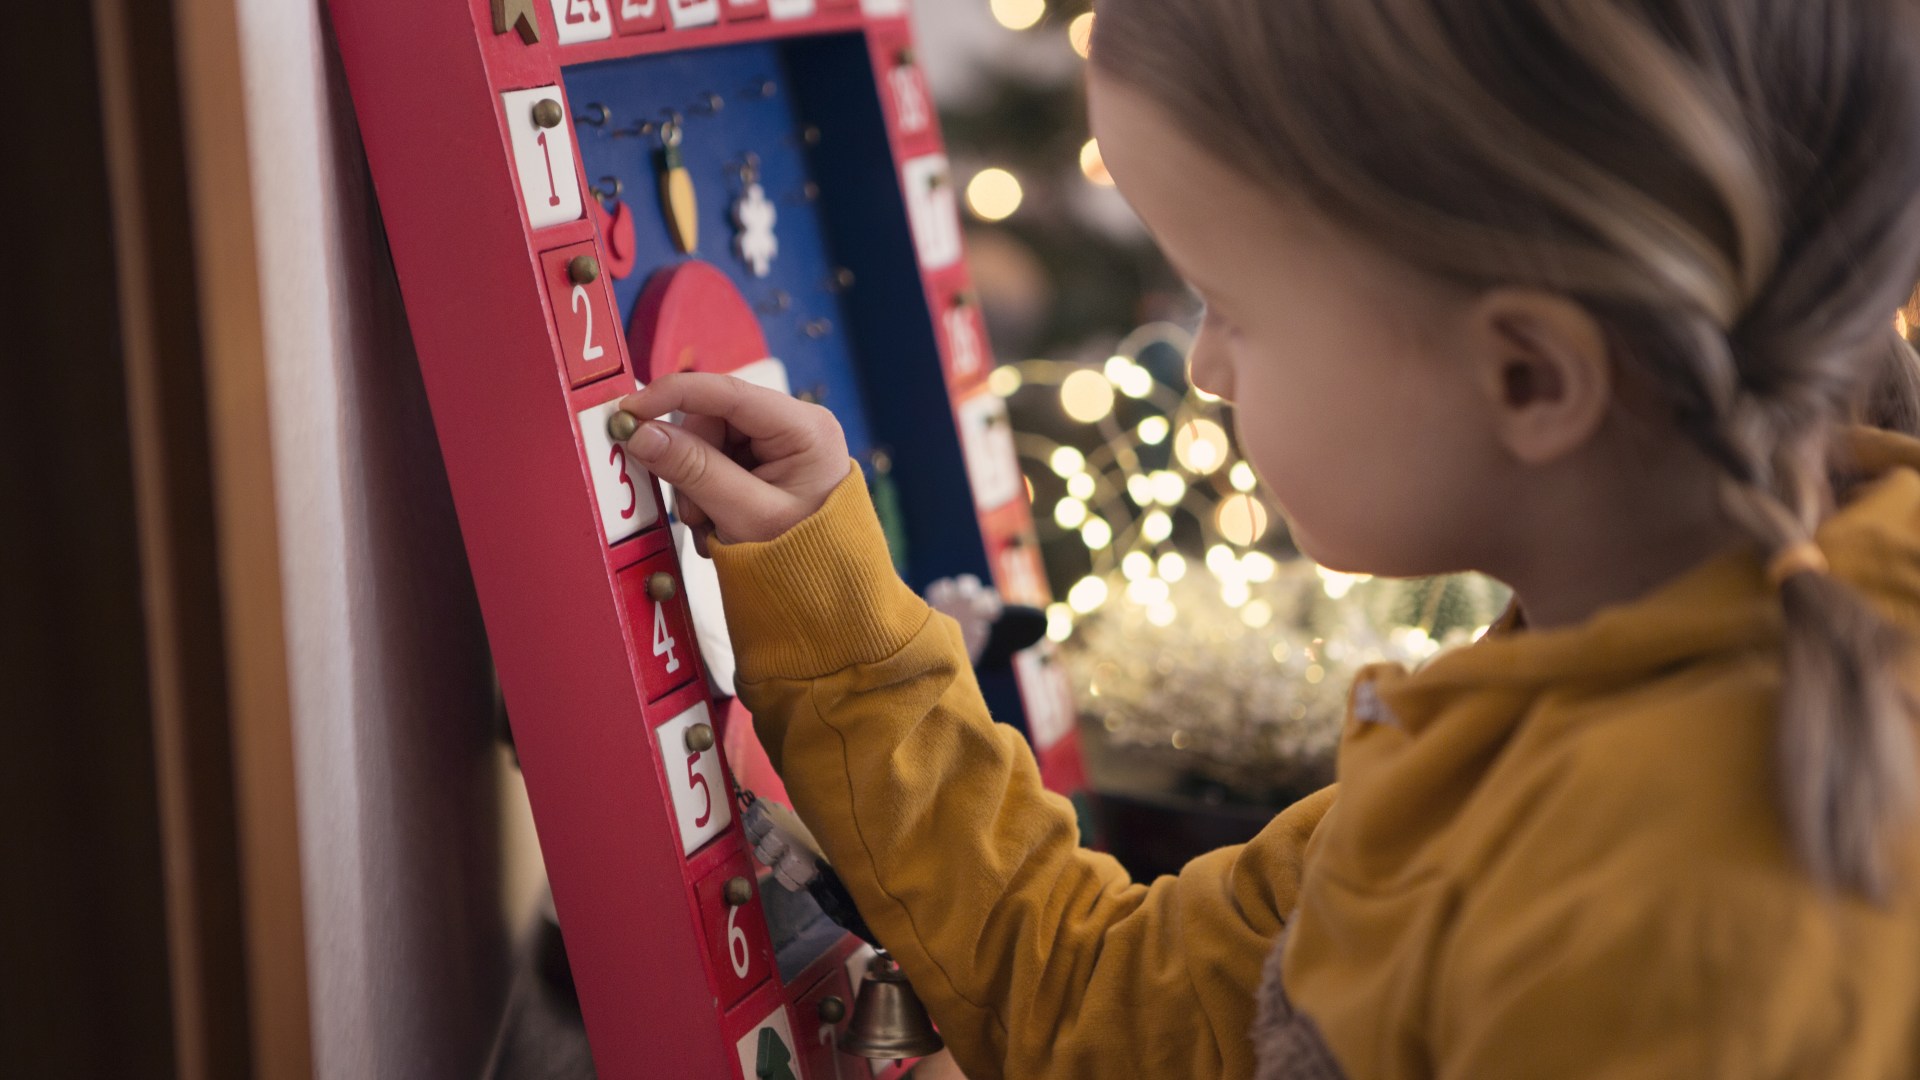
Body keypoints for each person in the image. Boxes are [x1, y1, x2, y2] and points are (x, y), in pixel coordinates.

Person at [616, 0, 1920, 1075]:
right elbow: (1106, 1001)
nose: (1205, 371)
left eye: (1230, 304)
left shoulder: (1672, 921)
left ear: (1529, 376)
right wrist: (826, 606)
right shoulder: (1535, 710)